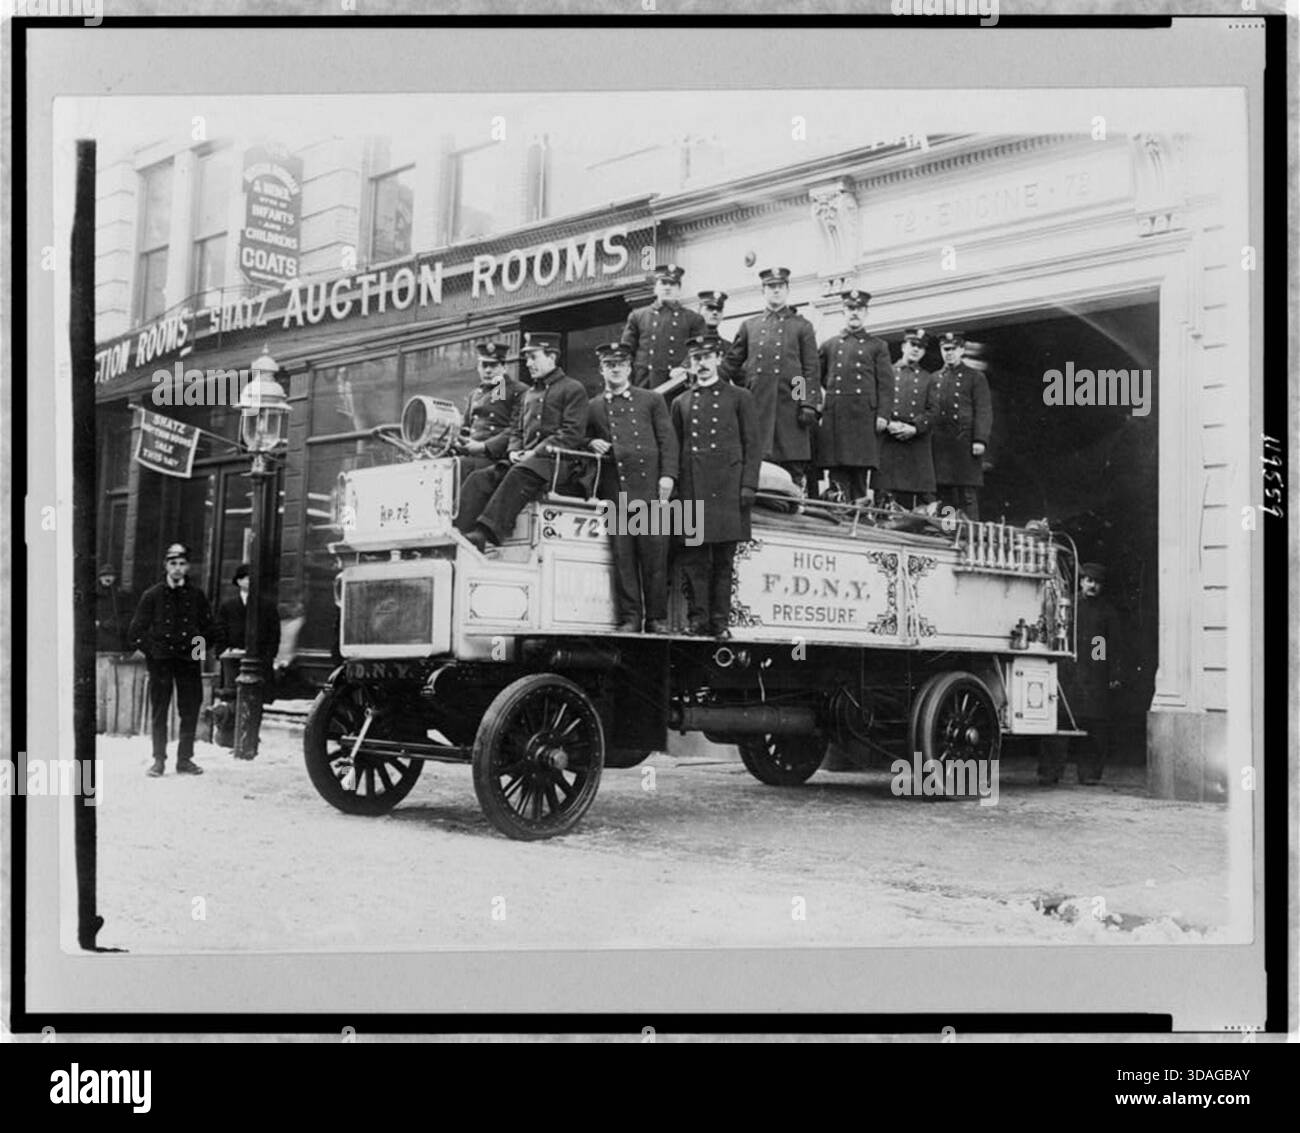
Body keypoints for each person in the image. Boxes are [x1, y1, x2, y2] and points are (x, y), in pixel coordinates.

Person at [456, 332, 589, 550]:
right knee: (480, 479)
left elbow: (571, 433)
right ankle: (458, 532)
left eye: (533, 357)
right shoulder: (526, 393)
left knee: (518, 473)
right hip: (525, 460)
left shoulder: (571, 388)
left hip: (555, 461)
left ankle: (484, 532)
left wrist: (534, 452)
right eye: (484, 366)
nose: (528, 364)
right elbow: (517, 430)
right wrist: (513, 451)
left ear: (552, 357)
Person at [671, 334, 761, 638]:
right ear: (691, 365)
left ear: (718, 359)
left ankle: (721, 623)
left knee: (724, 560)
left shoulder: (740, 398)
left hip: (728, 490)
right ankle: (699, 621)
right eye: (697, 359)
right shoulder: (681, 402)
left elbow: (753, 444)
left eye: (708, 357)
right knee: (695, 560)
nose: (703, 364)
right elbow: (675, 449)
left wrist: (748, 485)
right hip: (693, 489)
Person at [586, 341, 678, 633]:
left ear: (629, 368)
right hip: (616, 490)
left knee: (654, 557)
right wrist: (590, 442)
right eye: (609, 365)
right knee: (623, 558)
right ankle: (630, 617)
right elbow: (579, 436)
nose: (615, 369)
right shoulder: (593, 406)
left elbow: (667, 440)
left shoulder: (651, 399)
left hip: (649, 487)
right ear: (601, 370)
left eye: (621, 364)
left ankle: (656, 618)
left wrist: (668, 476)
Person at [721, 266, 820, 491]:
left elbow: (808, 369)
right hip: (758, 405)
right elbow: (731, 363)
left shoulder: (801, 326)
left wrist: (805, 402)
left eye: (780, 287)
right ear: (763, 291)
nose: (776, 291)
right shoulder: (750, 326)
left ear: (787, 290)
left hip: (790, 407)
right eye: (771, 287)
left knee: (792, 463)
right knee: (758, 461)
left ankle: (796, 505)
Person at [127, 542, 218, 777]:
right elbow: (135, 632)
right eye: (173, 564)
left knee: (189, 709)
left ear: (188, 567)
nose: (177, 568)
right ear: (166, 566)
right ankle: (159, 760)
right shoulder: (152, 595)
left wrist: (196, 654)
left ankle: (185, 759)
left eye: (182, 564)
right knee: (160, 710)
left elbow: (210, 630)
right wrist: (154, 653)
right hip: (162, 662)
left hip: (188, 661)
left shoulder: (196, 596)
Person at [1038, 562, 1126, 786]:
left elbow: (1107, 644)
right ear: (1081, 581)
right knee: (1059, 722)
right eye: (1089, 581)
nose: (1092, 586)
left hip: (1093, 675)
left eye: (1097, 582)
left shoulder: (1107, 612)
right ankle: (1050, 772)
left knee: (1094, 726)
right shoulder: (1068, 605)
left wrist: (1107, 672)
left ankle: (1089, 774)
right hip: (1067, 671)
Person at [816, 289, 894, 503]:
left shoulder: (877, 346)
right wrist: (808, 403)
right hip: (836, 417)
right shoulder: (829, 345)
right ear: (843, 311)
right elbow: (808, 376)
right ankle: (839, 516)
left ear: (866, 312)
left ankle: (858, 521)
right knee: (837, 476)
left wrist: (883, 415)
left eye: (859, 309)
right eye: (850, 308)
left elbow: (886, 384)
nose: (854, 313)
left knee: (860, 475)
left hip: (863, 418)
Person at [930, 331, 992, 521]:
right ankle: (949, 532)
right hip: (940, 445)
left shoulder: (975, 377)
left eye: (953, 349)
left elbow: (983, 410)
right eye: (945, 349)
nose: (949, 353)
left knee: (967, 493)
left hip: (964, 443)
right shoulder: (934, 378)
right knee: (945, 494)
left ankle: (970, 532)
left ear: (961, 350)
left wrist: (980, 439)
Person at [877, 328, 940, 510]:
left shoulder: (929, 378)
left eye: (920, 347)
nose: (916, 350)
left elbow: (934, 410)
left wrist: (915, 428)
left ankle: (940, 527)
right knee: (884, 493)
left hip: (916, 441)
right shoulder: (886, 372)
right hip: (889, 439)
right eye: (912, 345)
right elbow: (875, 401)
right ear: (904, 346)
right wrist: (888, 423)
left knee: (927, 496)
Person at [620, 264, 707, 389]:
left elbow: (699, 348)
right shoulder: (638, 316)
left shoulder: (693, 318)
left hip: (677, 382)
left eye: (672, 284)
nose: (667, 287)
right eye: (663, 283)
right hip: (644, 382)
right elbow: (626, 352)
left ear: (679, 290)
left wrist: (685, 367)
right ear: (655, 288)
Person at [455, 341, 527, 475]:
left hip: (496, 458)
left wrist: (484, 446)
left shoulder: (518, 391)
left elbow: (516, 429)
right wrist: (460, 442)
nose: (488, 370)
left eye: (493, 365)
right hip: (471, 456)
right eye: (484, 365)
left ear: (504, 367)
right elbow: (466, 428)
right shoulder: (474, 395)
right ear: (478, 368)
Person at [216, 563, 281, 671]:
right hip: (234, 658)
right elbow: (220, 630)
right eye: (247, 578)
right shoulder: (228, 606)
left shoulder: (268, 606)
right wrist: (225, 651)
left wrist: (269, 655)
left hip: (260, 659)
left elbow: (274, 633)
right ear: (239, 581)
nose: (251, 581)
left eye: (254, 578)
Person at [94, 562, 132, 652]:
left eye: (110, 575)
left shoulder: (121, 595)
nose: (107, 578)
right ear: (99, 578)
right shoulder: (94, 595)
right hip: (98, 634)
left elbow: (127, 614)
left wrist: (112, 624)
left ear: (114, 578)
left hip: (114, 634)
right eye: (104, 575)